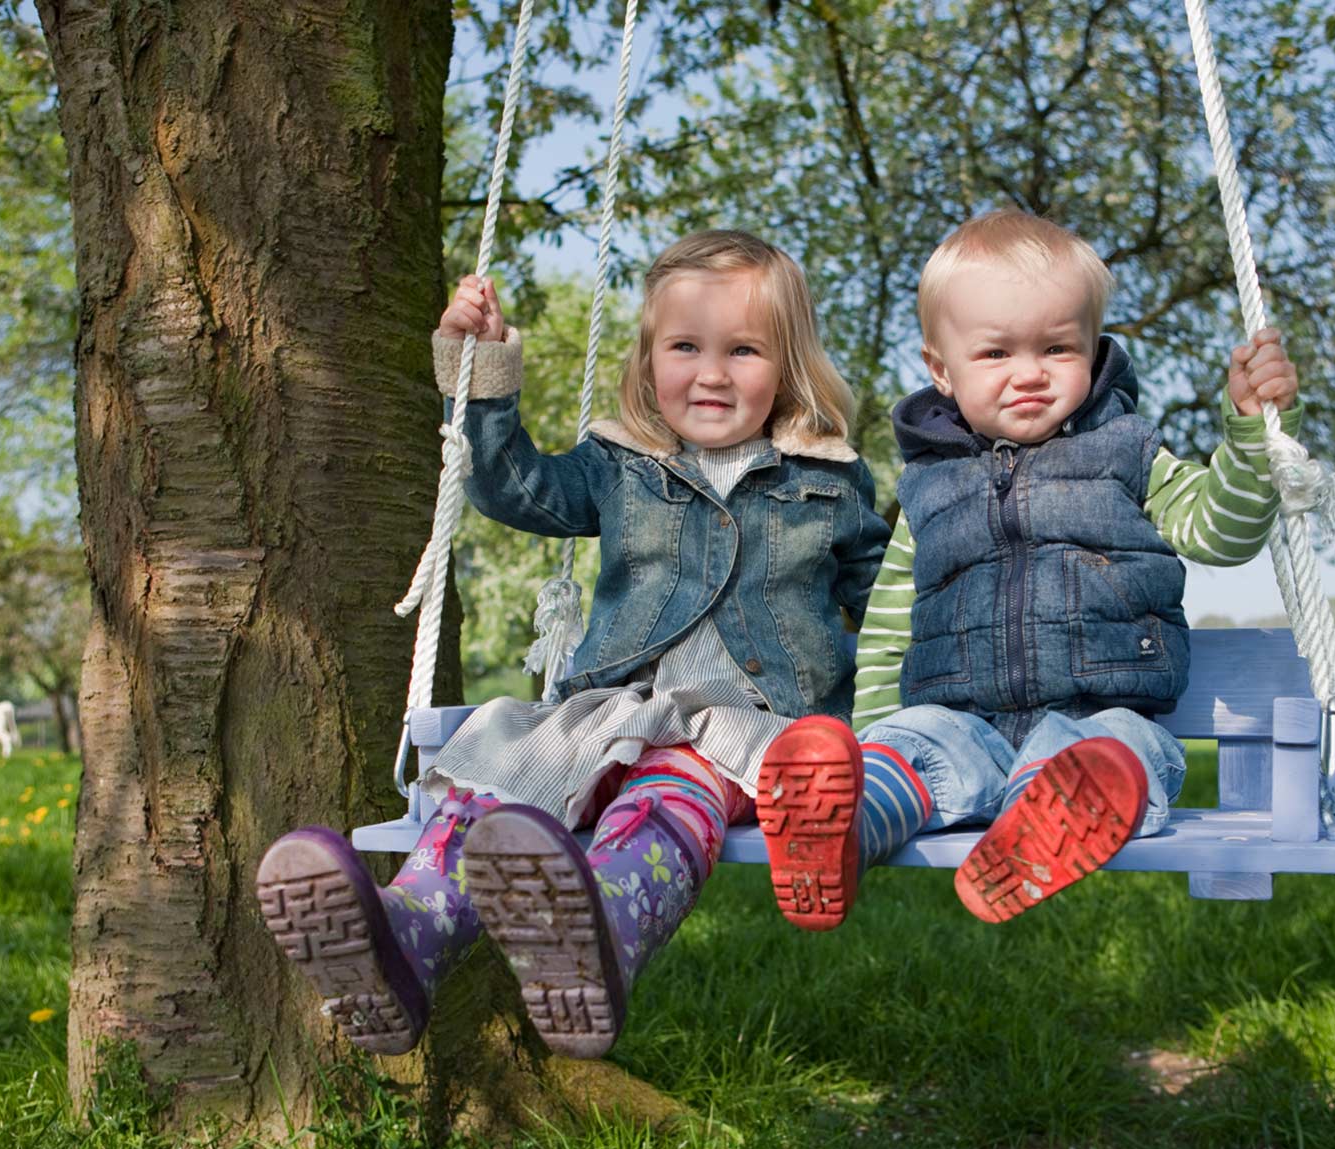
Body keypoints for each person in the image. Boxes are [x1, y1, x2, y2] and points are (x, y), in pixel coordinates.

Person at [255, 230, 889, 1058]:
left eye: (744, 350)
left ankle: (605, 931)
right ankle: (405, 936)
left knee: (667, 805)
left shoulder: (830, 479)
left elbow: (889, 608)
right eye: (685, 346)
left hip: (743, 724)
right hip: (611, 703)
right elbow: (512, 487)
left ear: (789, 363)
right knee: (502, 780)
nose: (711, 372)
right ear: (649, 357)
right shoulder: (621, 466)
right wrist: (481, 377)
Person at [754, 209, 1302, 930]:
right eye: (996, 355)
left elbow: (1222, 531)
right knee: (915, 751)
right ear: (941, 371)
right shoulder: (927, 493)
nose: (1030, 375)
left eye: (1056, 348)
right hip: (961, 724)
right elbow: (891, 628)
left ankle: (1042, 827)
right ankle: (839, 831)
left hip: (1107, 720)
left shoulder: (1129, 456)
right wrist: (884, 733)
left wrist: (1253, 433)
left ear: (1092, 347)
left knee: (1108, 756)